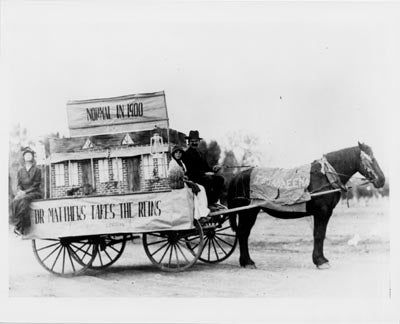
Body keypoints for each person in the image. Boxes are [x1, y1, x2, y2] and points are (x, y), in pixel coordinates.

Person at [182, 130, 225, 210]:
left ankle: (213, 201)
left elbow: (207, 167)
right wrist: (205, 174)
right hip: (193, 178)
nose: (194, 143)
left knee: (220, 179)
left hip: (203, 177)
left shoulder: (200, 153)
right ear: (189, 142)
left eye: (196, 141)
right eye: (192, 141)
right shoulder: (186, 154)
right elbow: (190, 170)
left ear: (198, 142)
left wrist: (214, 169)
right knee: (208, 180)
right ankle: (208, 204)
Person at [168, 145, 210, 220]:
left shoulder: (181, 162)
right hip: (178, 184)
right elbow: (173, 175)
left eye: (180, 153)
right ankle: (198, 215)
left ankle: (203, 211)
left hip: (185, 181)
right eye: (176, 153)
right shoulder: (172, 163)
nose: (178, 154)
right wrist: (183, 177)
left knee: (201, 188)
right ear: (173, 154)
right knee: (195, 191)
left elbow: (185, 173)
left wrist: (186, 177)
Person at [12, 147, 42, 235]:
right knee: (15, 201)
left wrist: (25, 192)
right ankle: (18, 224)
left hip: (35, 192)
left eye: (30, 155)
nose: (28, 156)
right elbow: (19, 184)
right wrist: (19, 191)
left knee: (24, 199)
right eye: (26, 155)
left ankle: (20, 226)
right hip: (23, 193)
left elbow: (36, 184)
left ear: (32, 157)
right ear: (24, 157)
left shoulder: (37, 170)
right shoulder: (20, 171)